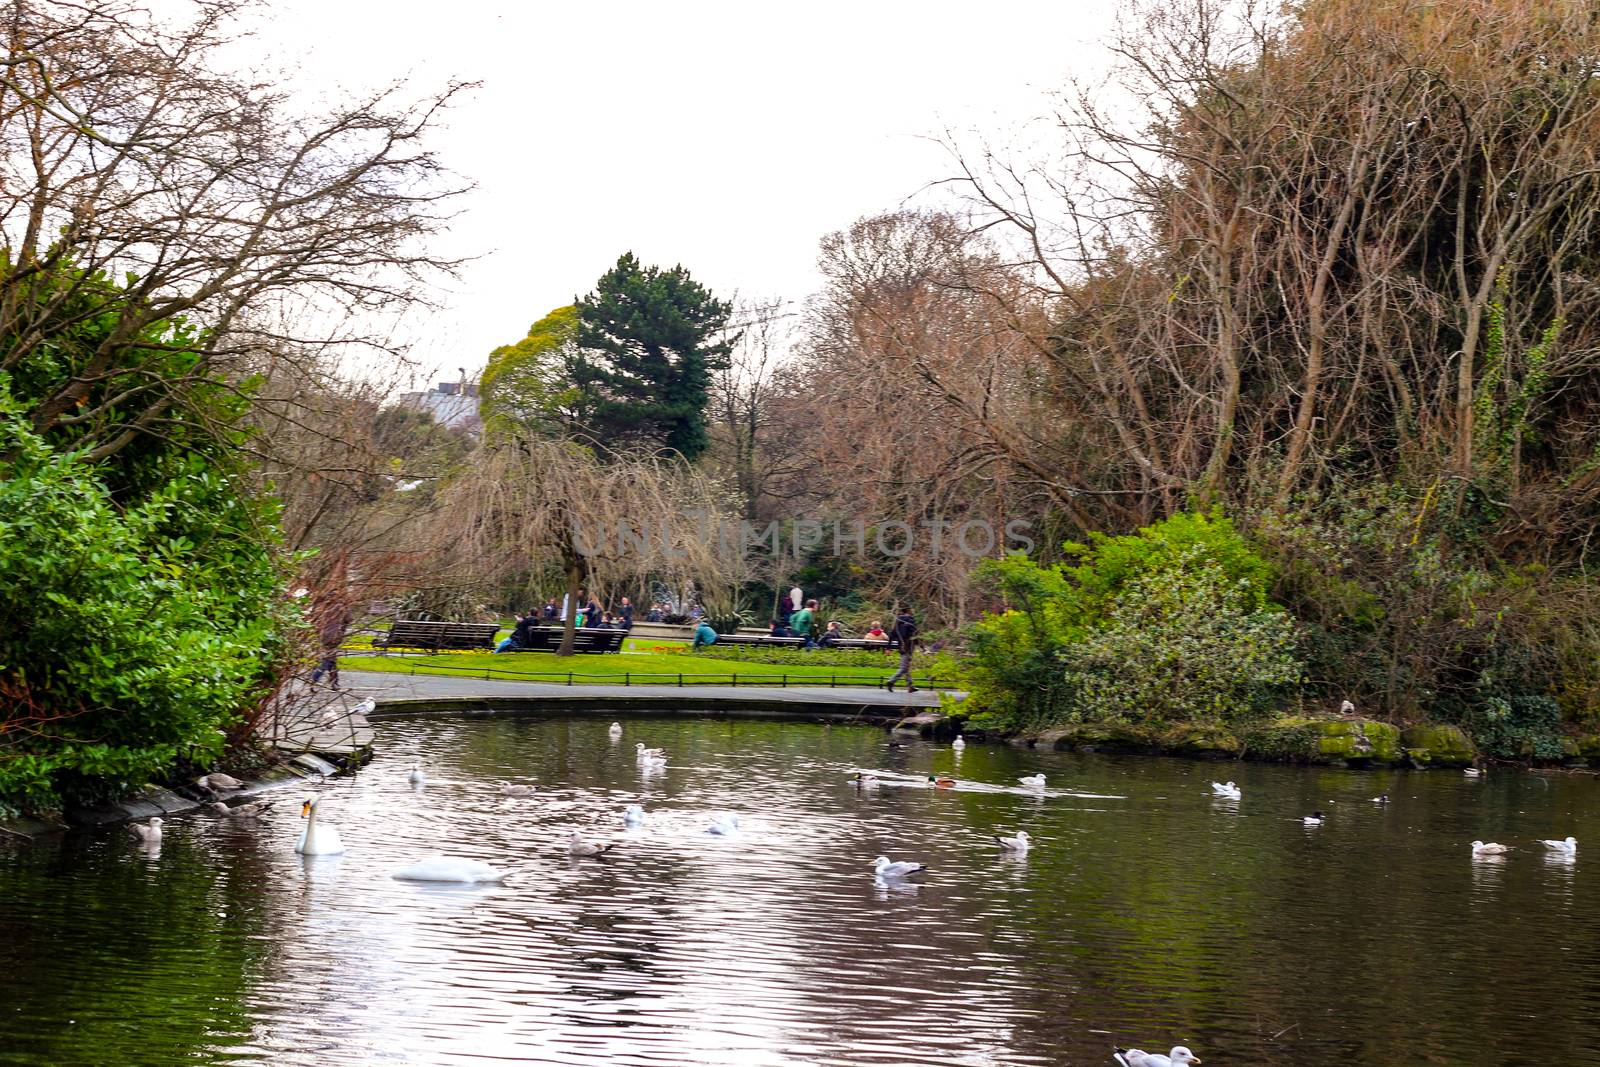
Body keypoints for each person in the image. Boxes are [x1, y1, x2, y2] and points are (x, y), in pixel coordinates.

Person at [310, 598, 352, 687]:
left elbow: (314, 619)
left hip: (323, 635)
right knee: (328, 658)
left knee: (331, 658)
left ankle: (334, 682)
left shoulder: (324, 605)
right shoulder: (342, 607)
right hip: (334, 636)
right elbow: (349, 619)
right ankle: (315, 677)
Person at [885, 607, 918, 692]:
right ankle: (891, 681)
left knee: (906, 666)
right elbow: (915, 635)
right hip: (909, 646)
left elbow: (892, 635)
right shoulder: (910, 621)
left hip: (901, 646)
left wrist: (889, 647)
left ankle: (910, 686)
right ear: (909, 611)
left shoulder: (897, 622)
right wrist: (921, 646)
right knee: (904, 667)